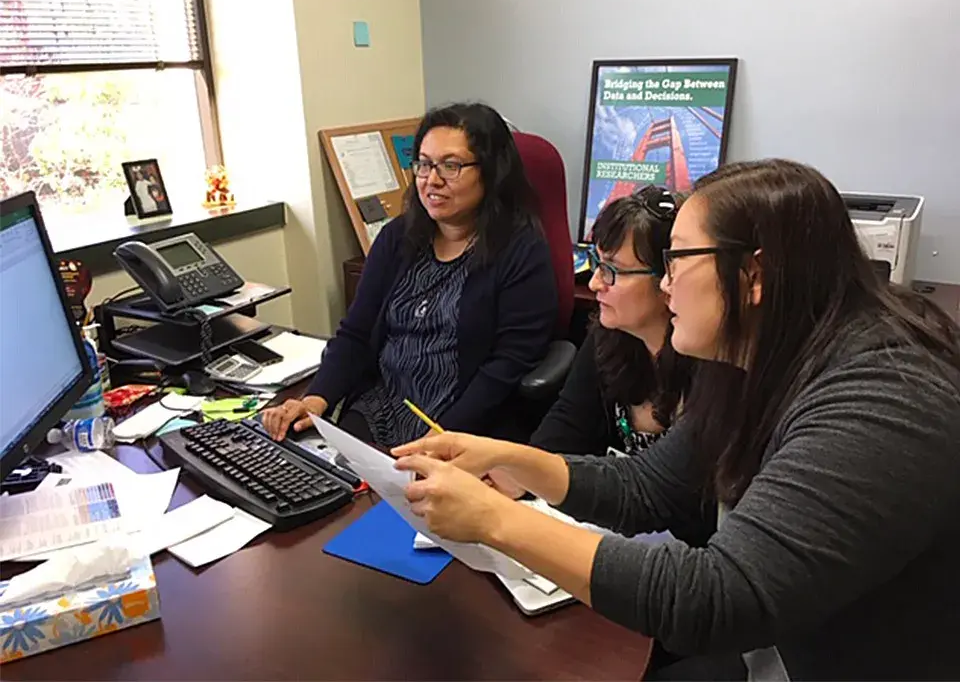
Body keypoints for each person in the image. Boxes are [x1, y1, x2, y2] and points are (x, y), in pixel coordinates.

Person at [392, 159, 960, 680]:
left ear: (753, 276)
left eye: (677, 260)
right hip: (777, 652)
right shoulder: (753, 354)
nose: (665, 284)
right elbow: (647, 487)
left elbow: (722, 598)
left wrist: (495, 521)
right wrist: (506, 457)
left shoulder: (884, 396)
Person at [263, 103, 557, 448]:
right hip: (380, 408)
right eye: (424, 164)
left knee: (397, 498)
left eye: (451, 166)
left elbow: (506, 366)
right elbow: (356, 334)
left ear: (491, 172)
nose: (432, 180)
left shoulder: (521, 251)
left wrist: (442, 437)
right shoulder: (398, 238)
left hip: (462, 423)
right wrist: (315, 400)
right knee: (315, 476)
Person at [530, 186, 693, 458]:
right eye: (597, 263)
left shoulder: (709, 361)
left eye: (612, 270)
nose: (595, 282)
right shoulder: (608, 334)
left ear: (667, 279)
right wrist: (516, 469)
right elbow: (565, 427)